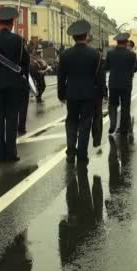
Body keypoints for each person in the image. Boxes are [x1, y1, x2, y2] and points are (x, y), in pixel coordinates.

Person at [0, 7, 30, 162]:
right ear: (12, 23)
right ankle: (11, 153)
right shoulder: (18, 40)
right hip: (13, 85)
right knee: (11, 118)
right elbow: (25, 62)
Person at [58, 20, 101, 167]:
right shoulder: (95, 55)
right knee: (85, 124)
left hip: (72, 94)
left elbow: (61, 77)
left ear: (73, 37)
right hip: (89, 95)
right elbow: (99, 78)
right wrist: (101, 94)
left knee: (71, 122)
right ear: (86, 35)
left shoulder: (65, 55)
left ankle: (70, 153)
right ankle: (82, 154)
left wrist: (61, 94)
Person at [106, 33, 137, 136]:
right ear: (126, 42)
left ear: (117, 42)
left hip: (113, 84)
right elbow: (134, 68)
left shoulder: (110, 53)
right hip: (126, 84)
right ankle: (123, 128)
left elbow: (106, 67)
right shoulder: (132, 55)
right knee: (125, 106)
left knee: (113, 105)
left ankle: (113, 123)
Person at [92, 47, 108, 149]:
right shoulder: (101, 63)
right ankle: (97, 139)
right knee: (98, 116)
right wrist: (105, 94)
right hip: (97, 93)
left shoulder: (89, 62)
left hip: (88, 92)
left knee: (89, 115)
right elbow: (102, 80)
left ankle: (94, 136)